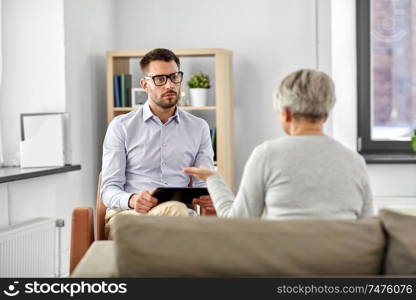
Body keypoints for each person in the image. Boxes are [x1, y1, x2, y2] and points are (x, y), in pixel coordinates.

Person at [185, 69, 374, 220]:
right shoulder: (355, 161)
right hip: (343, 266)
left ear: (287, 114)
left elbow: (237, 222)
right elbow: (366, 229)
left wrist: (213, 178)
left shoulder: (267, 155)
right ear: (326, 114)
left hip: (283, 266)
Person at [101, 48, 215, 226]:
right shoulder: (121, 126)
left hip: (178, 214)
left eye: (174, 77)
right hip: (130, 216)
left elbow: (203, 184)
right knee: (179, 216)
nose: (169, 85)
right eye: (160, 79)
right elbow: (108, 190)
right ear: (145, 85)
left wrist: (210, 195)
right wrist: (132, 199)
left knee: (177, 211)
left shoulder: (198, 128)